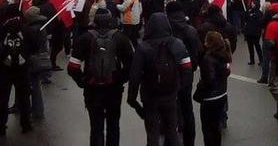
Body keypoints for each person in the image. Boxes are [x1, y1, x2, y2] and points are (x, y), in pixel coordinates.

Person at [68, 8, 134, 146]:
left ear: (94, 20)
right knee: (113, 125)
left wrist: (83, 81)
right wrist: (120, 79)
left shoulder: (85, 38)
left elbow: (73, 67)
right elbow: (131, 66)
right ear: (110, 19)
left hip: (92, 88)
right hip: (114, 89)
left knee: (96, 126)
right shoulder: (120, 38)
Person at [127, 12, 192, 146]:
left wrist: (132, 99)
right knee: (171, 129)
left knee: (152, 132)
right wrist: (178, 88)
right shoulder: (177, 44)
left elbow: (135, 75)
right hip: (170, 94)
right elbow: (187, 69)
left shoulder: (143, 47)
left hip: (150, 95)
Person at [166, 1, 203, 146]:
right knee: (187, 106)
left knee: (169, 106)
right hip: (187, 72)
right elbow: (199, 51)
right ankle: (189, 140)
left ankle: (171, 134)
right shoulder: (191, 30)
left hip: (168, 73)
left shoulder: (166, 29)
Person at [0, 5, 38, 136]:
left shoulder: (2, 29)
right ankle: (25, 124)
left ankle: (1, 126)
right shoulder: (26, 28)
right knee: (24, 97)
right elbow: (35, 47)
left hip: (4, 69)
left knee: (3, 98)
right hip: (22, 69)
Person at [194, 31, 232, 146]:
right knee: (216, 128)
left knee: (207, 129)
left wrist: (199, 86)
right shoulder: (224, 55)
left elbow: (208, 80)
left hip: (210, 98)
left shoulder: (208, 59)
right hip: (221, 94)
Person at [244, 0, 264, 65]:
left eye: (253, 3)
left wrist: (250, 17)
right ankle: (252, 60)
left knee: (257, 46)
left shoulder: (259, 13)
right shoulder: (249, 11)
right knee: (250, 47)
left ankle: (261, 60)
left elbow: (258, 22)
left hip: (255, 33)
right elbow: (246, 19)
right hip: (249, 32)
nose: (251, 4)